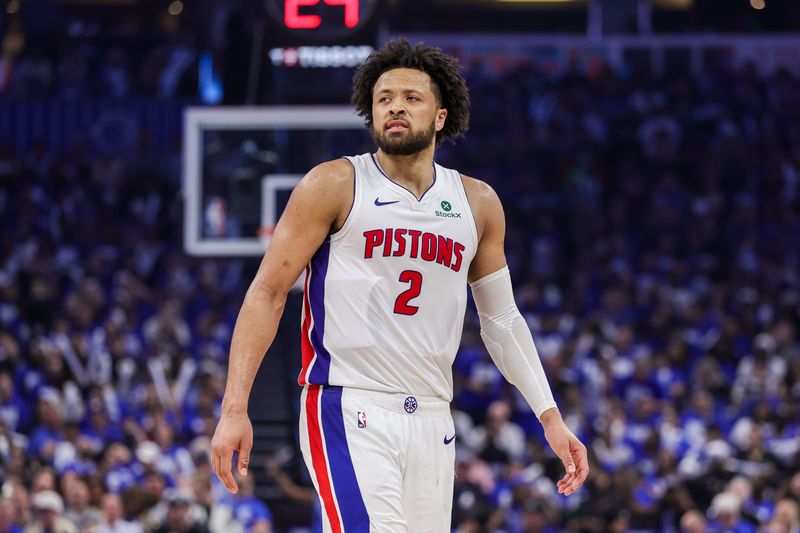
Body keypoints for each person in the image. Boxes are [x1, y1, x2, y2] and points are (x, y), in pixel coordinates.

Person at [210, 38, 589, 532]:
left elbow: (501, 319)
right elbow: (266, 292)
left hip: (433, 415)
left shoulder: (476, 203)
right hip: (347, 403)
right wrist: (234, 407)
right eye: (384, 97)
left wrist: (549, 415)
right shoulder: (334, 184)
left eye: (411, 97)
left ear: (440, 116)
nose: (395, 106)